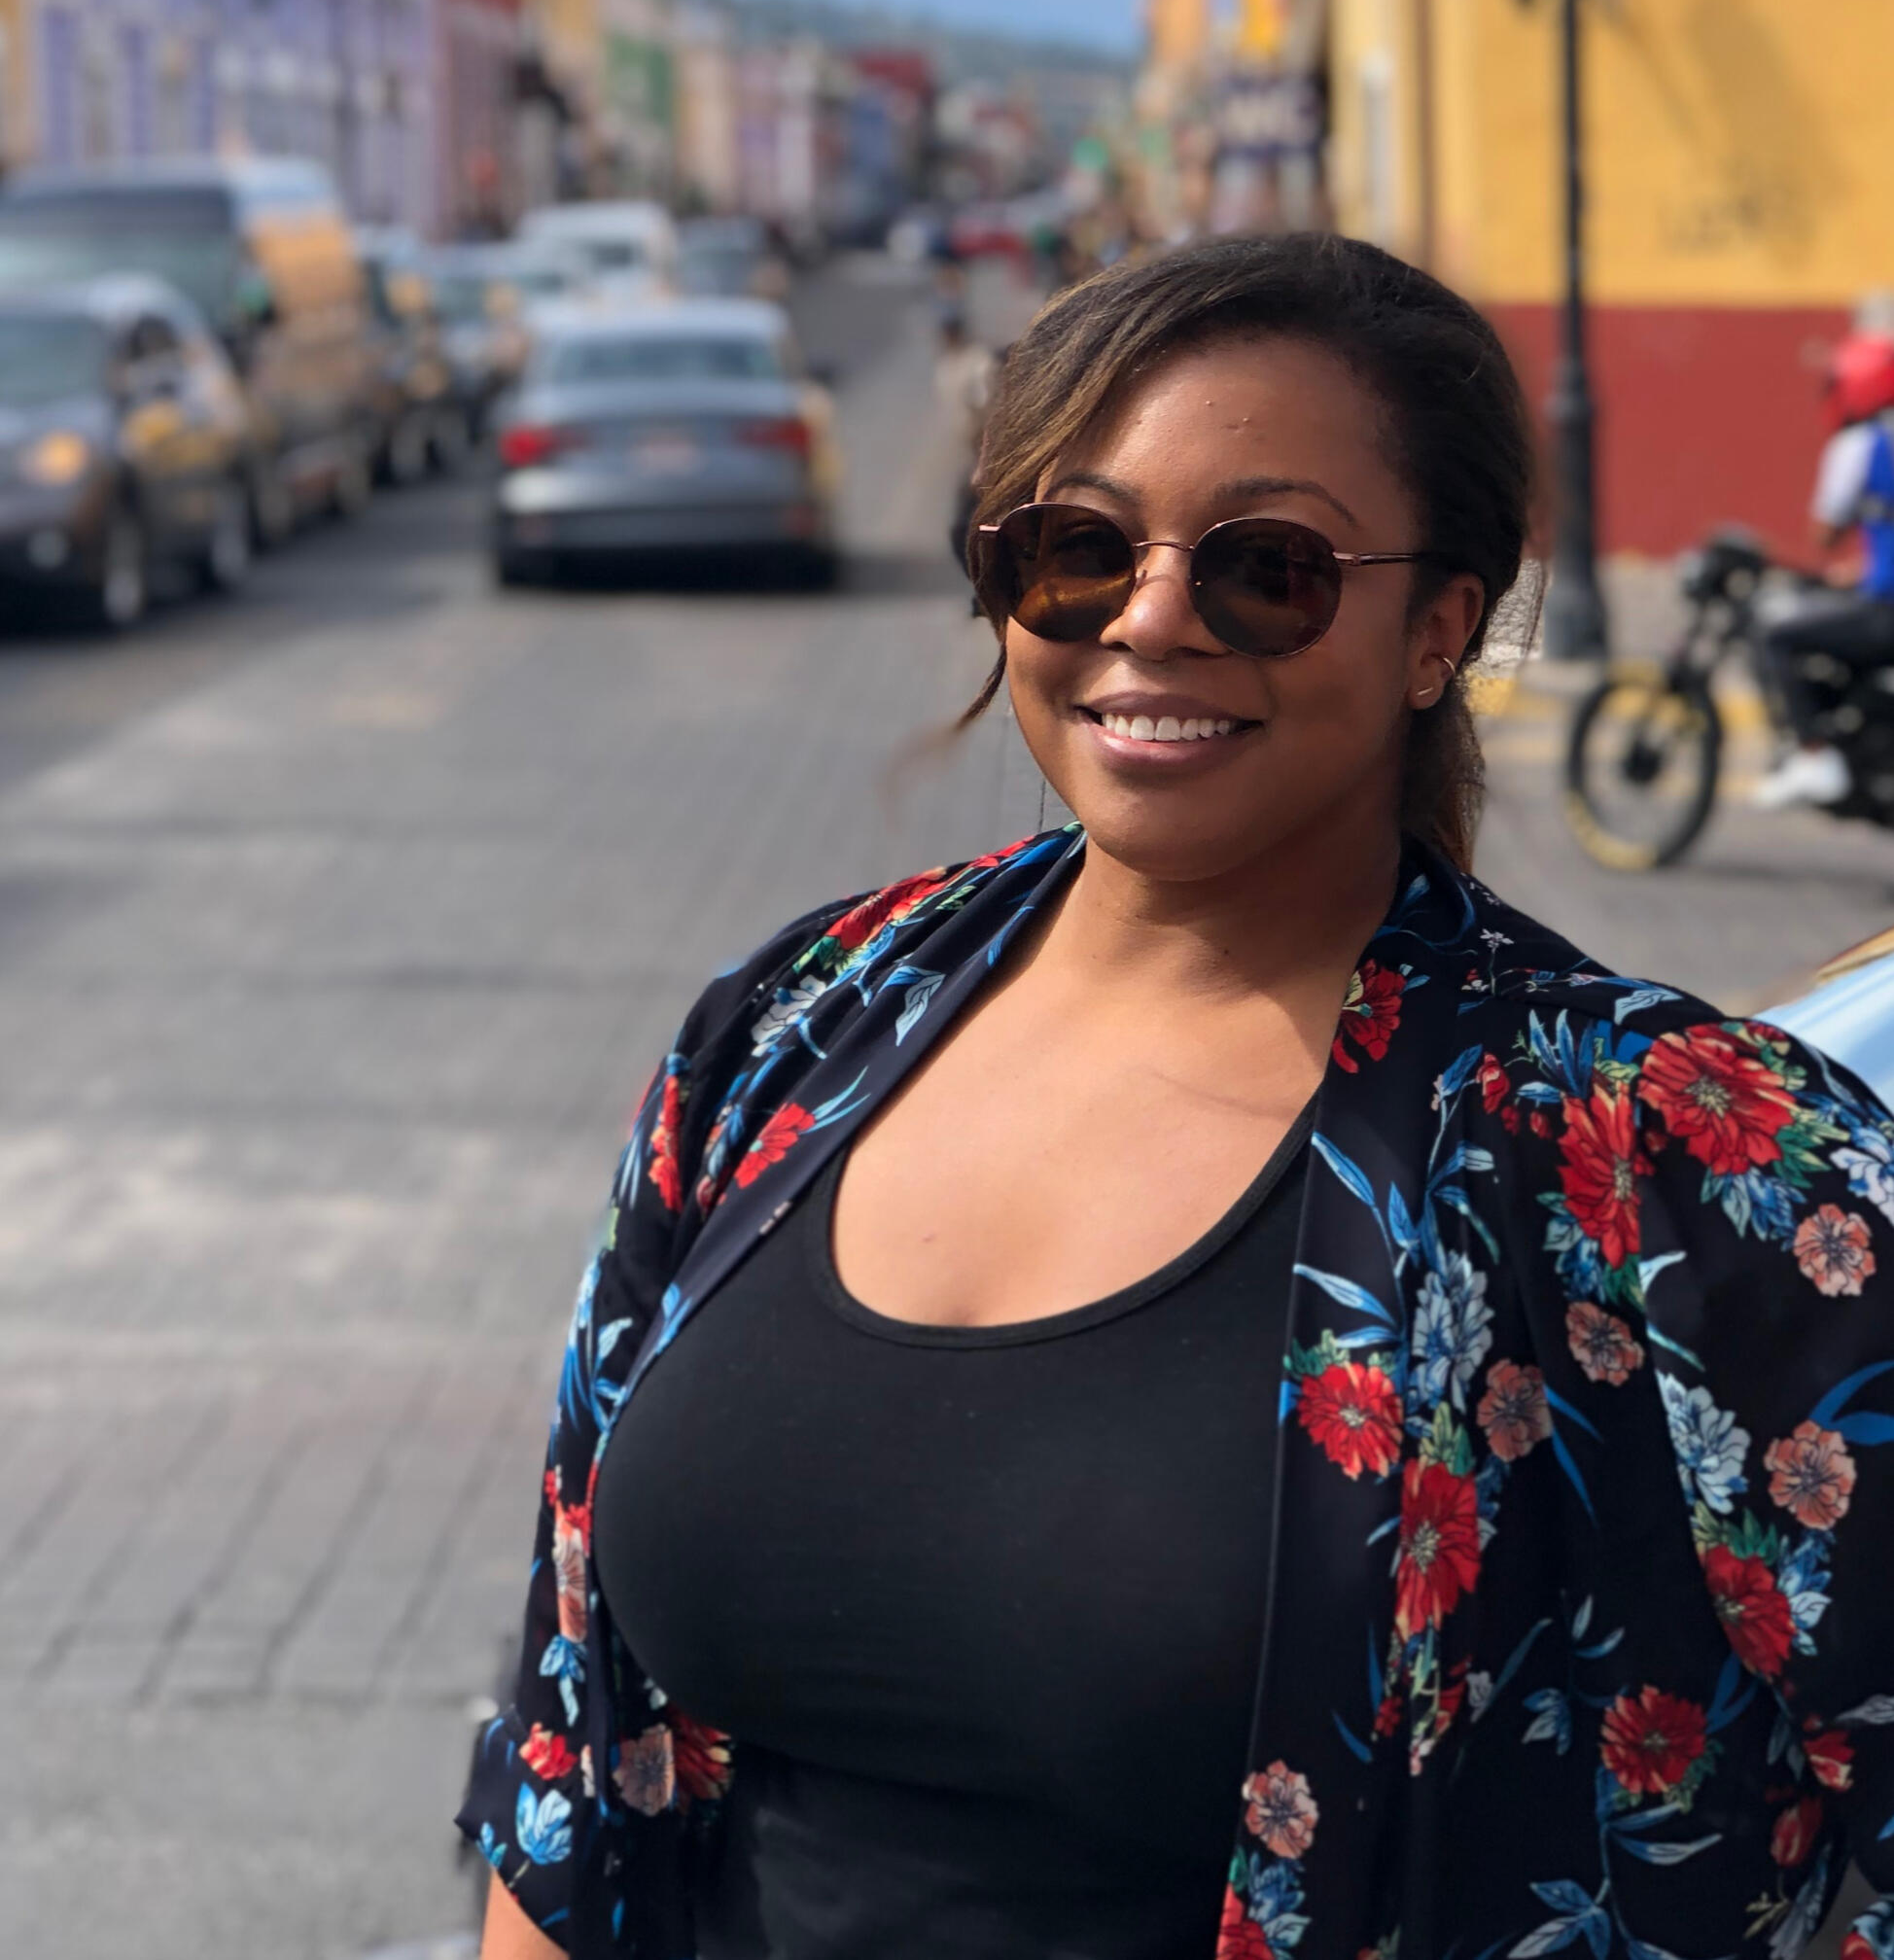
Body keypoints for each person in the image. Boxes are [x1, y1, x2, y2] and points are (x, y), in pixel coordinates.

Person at [463, 233, 1894, 1960]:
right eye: (1077, 549)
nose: (1149, 617)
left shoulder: (1650, 1146)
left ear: (1441, 627)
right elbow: (571, 1761)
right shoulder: (793, 1025)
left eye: (1267, 567)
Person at [1756, 324, 1894, 810]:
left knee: (1778, 635)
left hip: (1885, 612)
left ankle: (1814, 755)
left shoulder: (1859, 445)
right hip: (1878, 593)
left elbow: (1824, 534)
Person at [931, 304, 998, 574]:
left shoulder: (977, 362)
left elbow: (985, 407)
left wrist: (981, 450)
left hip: (981, 447)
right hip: (964, 447)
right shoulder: (947, 364)